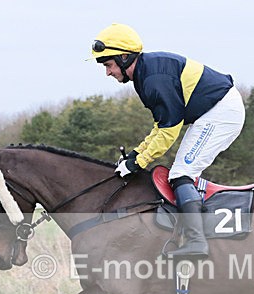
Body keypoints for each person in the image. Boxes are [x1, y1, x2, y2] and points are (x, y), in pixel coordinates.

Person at [91, 23, 245, 258]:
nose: (108, 72)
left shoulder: (152, 79)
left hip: (221, 112)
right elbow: (161, 126)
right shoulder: (145, 75)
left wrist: (138, 163)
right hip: (212, 112)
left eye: (109, 65)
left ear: (124, 57)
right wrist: (136, 154)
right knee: (180, 171)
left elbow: (169, 132)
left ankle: (196, 241)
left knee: (181, 173)